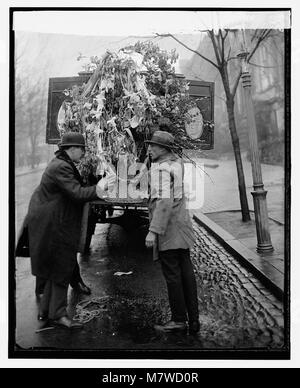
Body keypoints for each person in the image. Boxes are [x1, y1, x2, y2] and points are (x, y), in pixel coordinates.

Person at [25, 132, 114, 329]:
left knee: (52, 269)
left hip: (50, 222)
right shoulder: (61, 166)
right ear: (72, 148)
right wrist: (100, 188)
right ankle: (58, 315)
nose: (83, 153)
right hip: (53, 225)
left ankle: (46, 312)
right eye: (81, 149)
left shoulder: (61, 163)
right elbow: (76, 193)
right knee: (60, 268)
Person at [144, 129, 200, 335]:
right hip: (183, 226)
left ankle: (178, 320)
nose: (149, 149)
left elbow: (164, 202)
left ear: (164, 148)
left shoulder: (160, 170)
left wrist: (153, 231)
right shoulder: (177, 164)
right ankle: (193, 320)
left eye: (153, 146)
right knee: (187, 273)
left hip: (169, 229)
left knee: (173, 275)